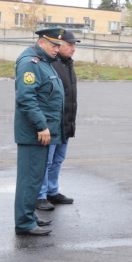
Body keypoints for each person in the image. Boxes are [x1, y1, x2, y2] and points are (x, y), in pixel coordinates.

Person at [14, 28, 65, 235]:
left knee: (35, 177)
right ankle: (24, 223)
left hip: (42, 132)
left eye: (59, 46)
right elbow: (26, 98)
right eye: (54, 45)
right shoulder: (30, 62)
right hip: (34, 133)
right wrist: (41, 126)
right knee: (29, 178)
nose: (57, 49)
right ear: (42, 42)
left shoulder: (43, 62)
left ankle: (28, 216)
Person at [35, 29, 80, 212]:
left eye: (74, 45)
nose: (73, 49)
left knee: (58, 159)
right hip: (51, 123)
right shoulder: (48, 64)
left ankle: (53, 191)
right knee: (46, 160)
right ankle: (40, 195)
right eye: (70, 45)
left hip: (65, 122)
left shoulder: (68, 64)